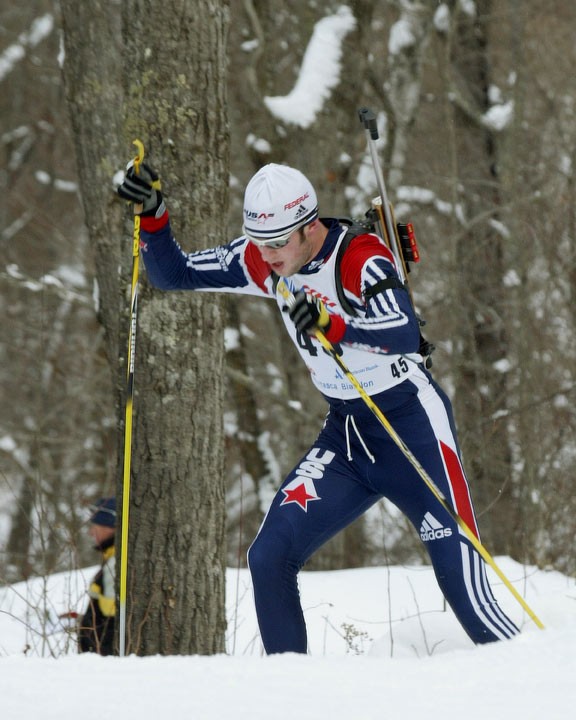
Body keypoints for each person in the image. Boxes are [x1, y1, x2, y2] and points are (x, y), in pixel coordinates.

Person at [117, 161, 520, 654]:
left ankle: (532, 676)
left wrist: (333, 326)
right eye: (259, 243)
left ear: (309, 226)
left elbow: (403, 333)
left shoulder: (359, 256)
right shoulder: (264, 259)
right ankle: (293, 695)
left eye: (278, 243)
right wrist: (154, 214)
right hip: (347, 438)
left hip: (410, 425)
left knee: (464, 591)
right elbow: (173, 274)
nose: (267, 256)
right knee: (268, 557)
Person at [78, 497, 116, 655]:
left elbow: (112, 615)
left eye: (96, 525)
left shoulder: (116, 562)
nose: (91, 532)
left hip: (106, 661)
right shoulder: (111, 558)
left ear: (111, 527)